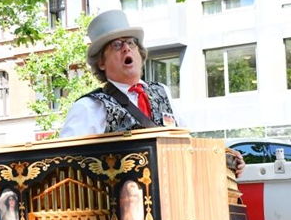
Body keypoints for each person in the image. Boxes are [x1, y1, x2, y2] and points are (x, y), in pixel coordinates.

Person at [60, 9, 245, 177]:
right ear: (101, 62)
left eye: (131, 43)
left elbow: (188, 144)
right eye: (116, 45)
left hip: (174, 196)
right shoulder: (89, 106)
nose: (126, 48)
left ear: (140, 54)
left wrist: (226, 158)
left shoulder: (162, 91)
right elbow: (64, 162)